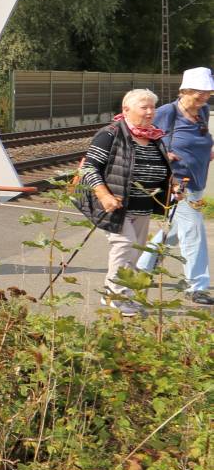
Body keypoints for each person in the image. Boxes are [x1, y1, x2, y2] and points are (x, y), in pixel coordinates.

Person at [77, 89, 174, 316]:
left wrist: (173, 187)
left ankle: (121, 296)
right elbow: (89, 168)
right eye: (144, 107)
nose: (150, 112)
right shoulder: (110, 134)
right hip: (115, 202)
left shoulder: (154, 136)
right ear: (126, 109)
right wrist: (104, 195)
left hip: (143, 205)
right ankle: (115, 297)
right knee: (125, 245)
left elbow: (160, 169)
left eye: (152, 107)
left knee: (136, 251)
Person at [138, 68, 214, 305]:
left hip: (198, 178)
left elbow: (199, 138)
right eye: (198, 93)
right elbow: (141, 137)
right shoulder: (166, 113)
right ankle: (197, 286)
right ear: (184, 91)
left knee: (170, 232)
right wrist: (163, 154)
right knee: (193, 232)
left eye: (207, 92)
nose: (204, 97)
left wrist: (207, 150)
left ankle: (141, 270)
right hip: (177, 182)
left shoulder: (202, 111)